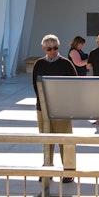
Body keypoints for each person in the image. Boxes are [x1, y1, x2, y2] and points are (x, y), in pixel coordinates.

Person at [31, 34, 78, 166]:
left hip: (62, 109)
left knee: (65, 140)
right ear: (43, 49)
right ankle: (47, 167)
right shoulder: (39, 64)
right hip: (43, 108)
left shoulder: (66, 64)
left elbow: (74, 85)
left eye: (55, 48)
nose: (52, 51)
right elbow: (36, 85)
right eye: (49, 48)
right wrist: (43, 102)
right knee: (46, 140)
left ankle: (68, 169)